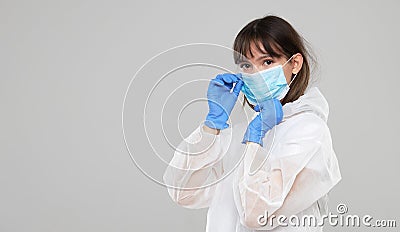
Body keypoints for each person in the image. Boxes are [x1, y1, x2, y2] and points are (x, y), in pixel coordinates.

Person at [163, 15, 341, 231]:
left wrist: (255, 140)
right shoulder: (240, 132)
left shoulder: (308, 130)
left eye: (267, 62)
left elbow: (256, 215)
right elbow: (183, 193)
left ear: (294, 64)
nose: (255, 73)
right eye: (246, 65)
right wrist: (212, 126)